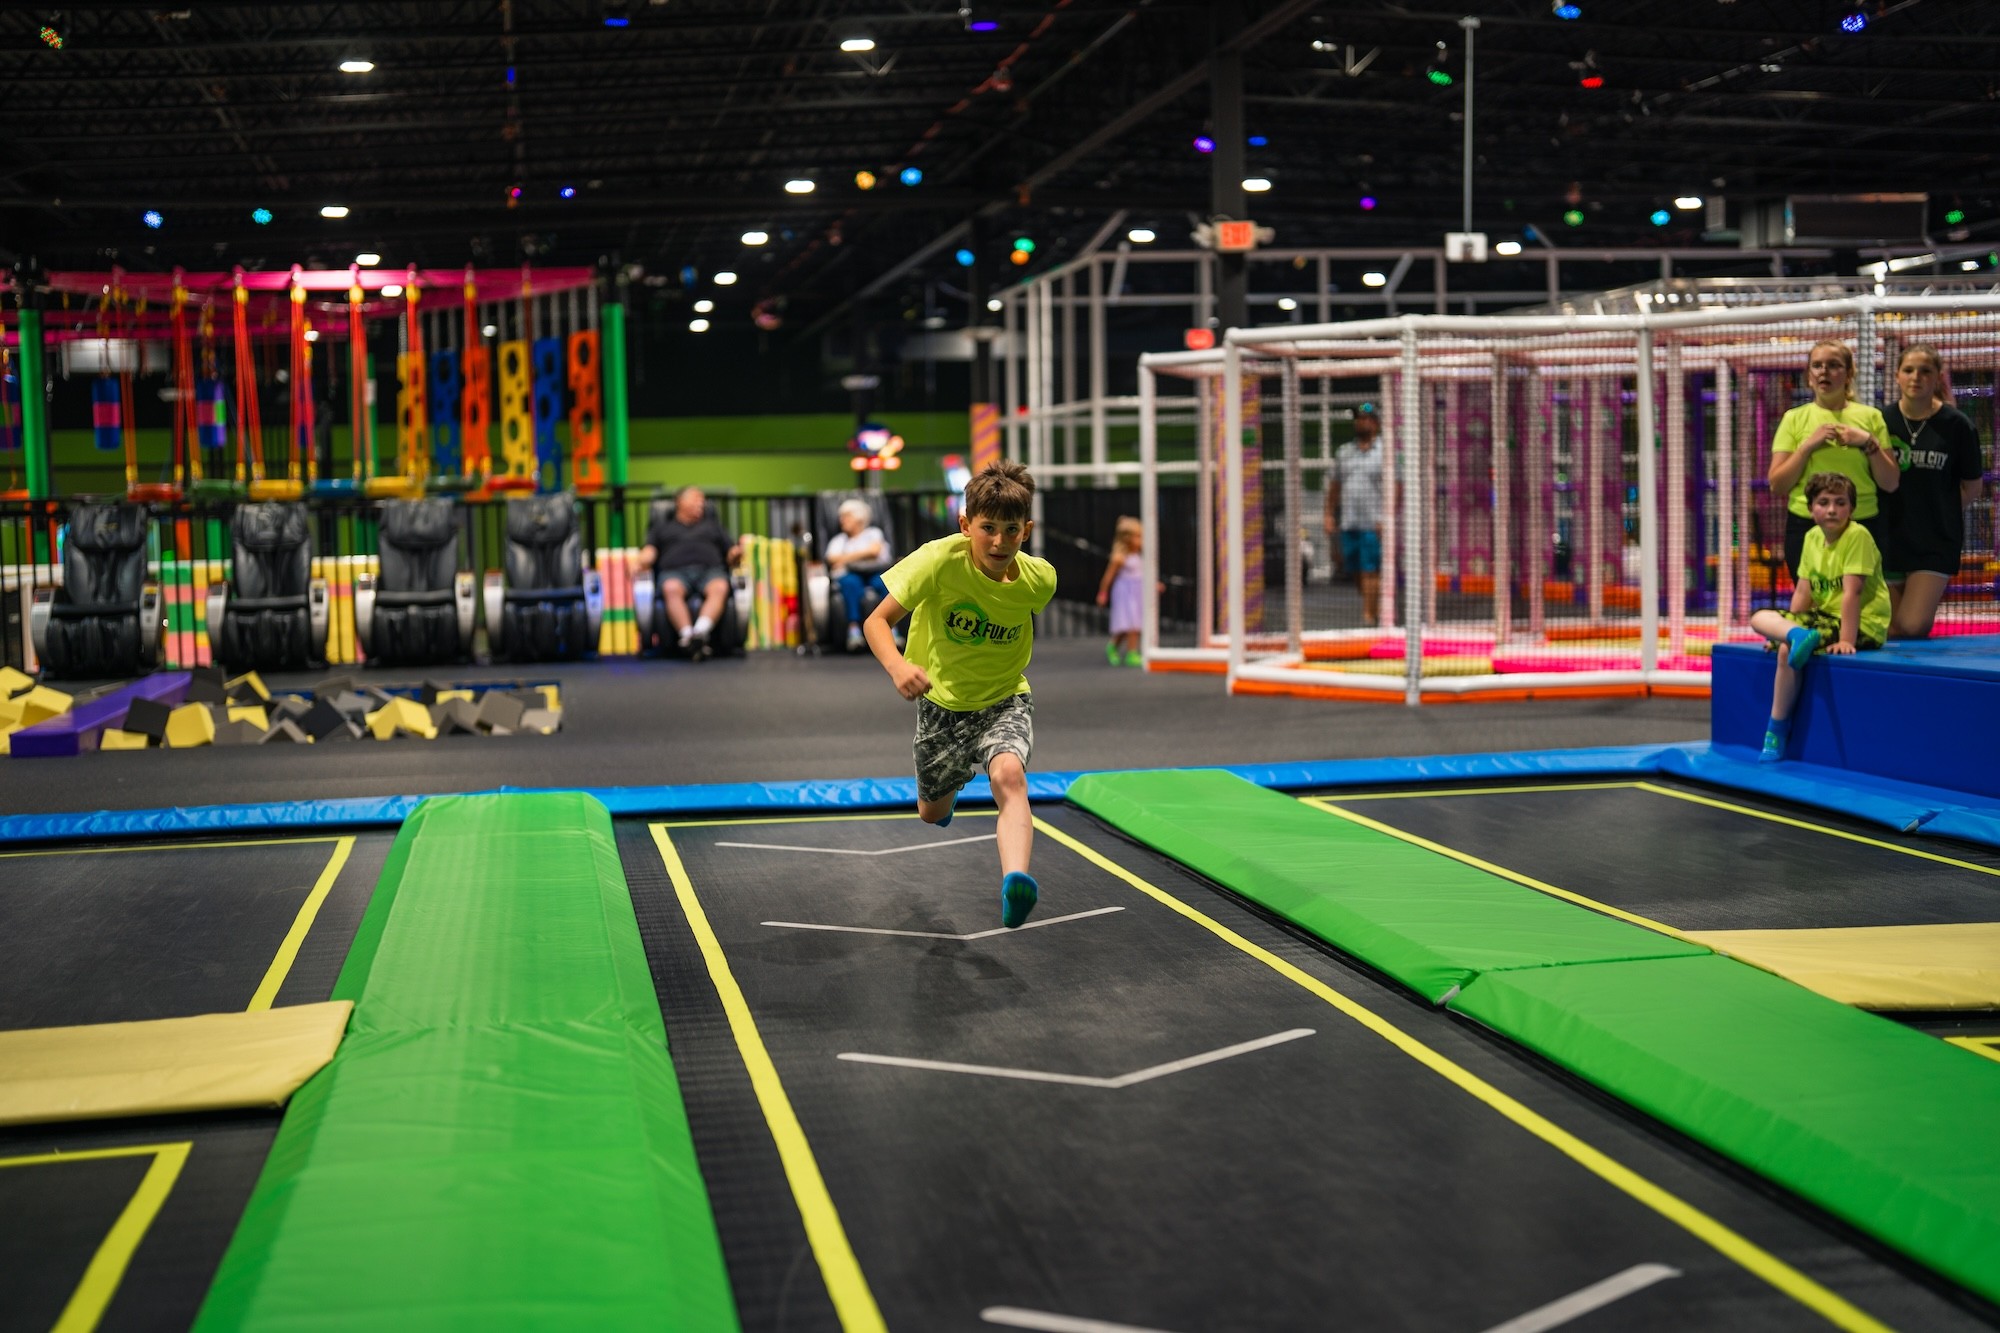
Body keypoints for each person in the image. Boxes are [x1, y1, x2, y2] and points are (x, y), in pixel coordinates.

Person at [865, 458, 1056, 929]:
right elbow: (876, 621)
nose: (999, 542)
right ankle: (948, 794)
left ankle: (1016, 880)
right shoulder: (937, 561)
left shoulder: (1040, 580)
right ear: (966, 525)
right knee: (930, 812)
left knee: (1009, 776)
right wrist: (898, 667)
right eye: (988, 528)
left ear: (1026, 531)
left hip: (1004, 700)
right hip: (941, 706)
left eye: (1011, 530)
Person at [1746, 472, 1889, 762]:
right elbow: (1802, 591)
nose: (1832, 509)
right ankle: (1794, 635)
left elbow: (1853, 593)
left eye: (1840, 502)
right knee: (1758, 616)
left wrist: (1848, 640)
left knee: (1786, 654)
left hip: (1862, 623)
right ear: (1811, 509)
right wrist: (1787, 628)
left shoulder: (1857, 536)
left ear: (1851, 508)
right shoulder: (1812, 538)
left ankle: (1776, 731)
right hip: (1822, 618)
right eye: (1824, 502)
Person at [1767, 340, 1899, 579]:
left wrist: (1868, 442)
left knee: (1855, 607)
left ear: (1849, 374)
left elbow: (1890, 482)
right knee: (1813, 609)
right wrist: (1807, 446)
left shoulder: (1871, 417)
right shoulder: (1794, 419)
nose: (1824, 371)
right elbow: (1778, 484)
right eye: (1817, 365)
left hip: (1861, 523)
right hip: (1807, 525)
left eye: (1833, 365)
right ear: (1809, 375)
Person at [1880, 343, 1985, 639]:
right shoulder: (1881, 421)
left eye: (1925, 371)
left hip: (1935, 542)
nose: (1916, 377)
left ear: (1938, 376)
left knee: (1911, 627)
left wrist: (1939, 512)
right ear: (1898, 376)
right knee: (1890, 630)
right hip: (1889, 538)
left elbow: (1972, 487)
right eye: (1909, 370)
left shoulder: (1957, 426)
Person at [638, 485, 740, 660]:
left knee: (720, 587)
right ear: (680, 502)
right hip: (674, 572)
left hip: (710, 571)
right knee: (670, 588)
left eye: (703, 500)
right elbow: (650, 551)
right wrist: (639, 562)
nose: (702, 503)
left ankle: (699, 633)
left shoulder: (713, 526)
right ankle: (687, 635)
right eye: (696, 498)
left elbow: (730, 554)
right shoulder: (662, 528)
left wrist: (737, 553)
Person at [1324, 404, 1385, 624]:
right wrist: (1329, 514)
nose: (1361, 422)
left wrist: (1386, 518)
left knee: (1370, 569)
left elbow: (1395, 487)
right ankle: (1374, 608)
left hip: (1373, 522)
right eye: (1358, 418)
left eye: (1366, 418)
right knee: (1356, 570)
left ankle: (1369, 617)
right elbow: (1334, 486)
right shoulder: (1344, 453)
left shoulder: (1385, 452)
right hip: (1350, 521)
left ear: (1375, 423)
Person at [824, 497, 893, 653]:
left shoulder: (874, 533)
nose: (842, 520)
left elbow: (874, 552)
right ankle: (854, 631)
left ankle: (892, 630)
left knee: (885, 583)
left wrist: (846, 559)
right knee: (850, 584)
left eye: (846, 516)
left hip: (874, 572)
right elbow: (831, 559)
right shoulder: (838, 540)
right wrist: (864, 554)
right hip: (850, 576)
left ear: (859, 518)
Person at [1094, 515, 1144, 666]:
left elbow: (1142, 574)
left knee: (1134, 624)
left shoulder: (1138, 556)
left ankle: (1122, 649)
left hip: (1137, 592)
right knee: (1128, 624)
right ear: (1127, 539)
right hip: (1125, 594)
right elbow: (1108, 577)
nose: (1141, 540)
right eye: (1138, 537)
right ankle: (1129, 652)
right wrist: (1103, 593)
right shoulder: (1119, 558)